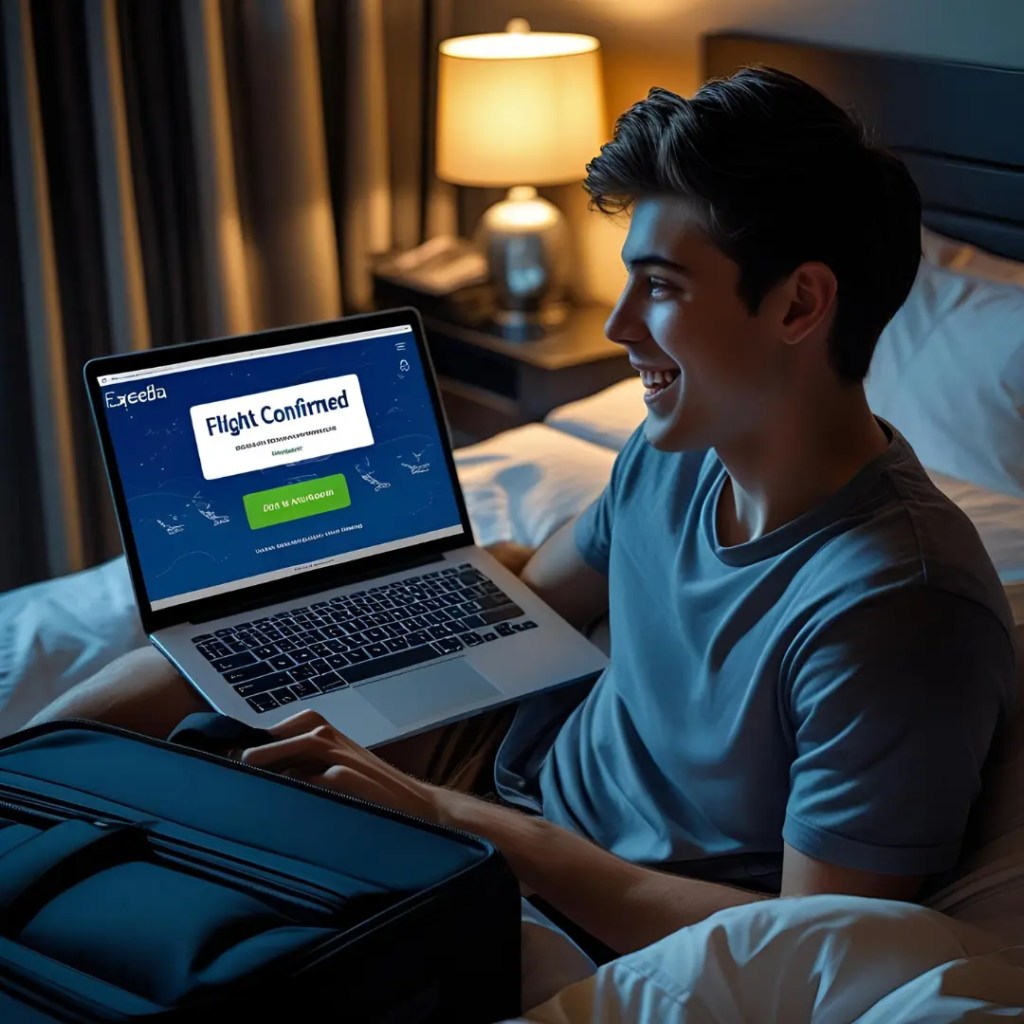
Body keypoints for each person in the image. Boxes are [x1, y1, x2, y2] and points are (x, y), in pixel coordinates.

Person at [33, 67, 1016, 959]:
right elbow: (529, 591)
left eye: (661, 287)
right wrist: (338, 619)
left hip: (571, 903)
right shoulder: (676, 454)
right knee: (202, 665)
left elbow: (810, 945)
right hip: (490, 776)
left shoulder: (898, 609)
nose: (617, 325)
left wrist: (449, 819)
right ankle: (20, 776)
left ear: (800, 306)